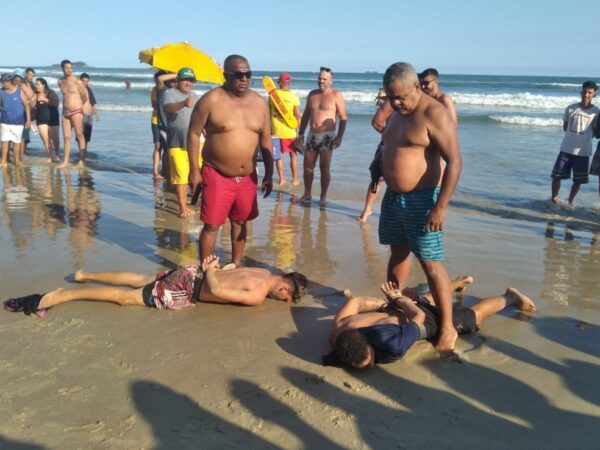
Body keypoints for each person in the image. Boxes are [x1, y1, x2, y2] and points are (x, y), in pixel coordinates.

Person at [379, 62, 462, 352]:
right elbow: (388, 143)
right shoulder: (397, 113)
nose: (396, 102)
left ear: (417, 86)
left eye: (401, 96)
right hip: (393, 198)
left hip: (422, 200)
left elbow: (455, 161)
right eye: (391, 97)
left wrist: (441, 206)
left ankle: (448, 327)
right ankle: (397, 304)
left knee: (430, 263)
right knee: (397, 253)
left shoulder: (433, 113)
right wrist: (378, 166)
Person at [326, 277, 536, 369]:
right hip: (399, 308)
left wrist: (399, 299)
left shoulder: (392, 346)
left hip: (420, 317)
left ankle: (509, 297)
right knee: (424, 300)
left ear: (367, 342)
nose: (372, 365)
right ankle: (455, 284)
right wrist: (387, 304)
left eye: (370, 361)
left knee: (475, 316)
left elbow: (418, 317)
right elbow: (355, 302)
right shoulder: (338, 331)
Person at [3, 254, 309, 317]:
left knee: (140, 279)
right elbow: (215, 289)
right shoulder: (257, 294)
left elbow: (232, 270)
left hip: (186, 273)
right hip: (190, 287)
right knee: (126, 298)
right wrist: (211, 270)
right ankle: (66, 295)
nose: (279, 299)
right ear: (285, 289)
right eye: (284, 298)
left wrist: (217, 267)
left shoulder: (261, 271)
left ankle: (84, 274)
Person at [188, 54, 274, 267]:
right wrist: (194, 171)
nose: (244, 79)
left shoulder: (259, 103)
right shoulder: (211, 100)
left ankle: (236, 265)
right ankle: (207, 271)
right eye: (238, 75)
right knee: (212, 225)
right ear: (226, 75)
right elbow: (192, 134)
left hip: (247, 178)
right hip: (217, 174)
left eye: (248, 74)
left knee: (240, 222)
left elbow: (266, 141)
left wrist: (270, 174)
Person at [294, 67, 347, 207]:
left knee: (324, 168)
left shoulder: (336, 95)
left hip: (327, 137)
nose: (321, 81)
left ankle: (323, 197)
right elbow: (306, 115)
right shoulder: (312, 94)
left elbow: (343, 118)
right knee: (307, 168)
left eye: (324, 79)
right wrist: (300, 133)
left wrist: (339, 137)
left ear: (331, 80)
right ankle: (307, 193)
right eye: (319, 78)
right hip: (312, 135)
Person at [550, 80, 599, 206]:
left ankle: (570, 201)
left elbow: (595, 132)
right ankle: (554, 199)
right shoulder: (571, 108)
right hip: (566, 149)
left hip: (583, 152)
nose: (586, 94)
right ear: (580, 92)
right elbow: (565, 127)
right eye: (584, 91)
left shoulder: (596, 112)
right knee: (556, 176)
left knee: (578, 180)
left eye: (589, 92)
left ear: (594, 95)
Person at [164, 67, 200, 218]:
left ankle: (194, 203)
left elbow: (200, 118)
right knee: (181, 176)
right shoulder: (169, 93)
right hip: (176, 142)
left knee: (197, 174)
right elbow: (168, 108)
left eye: (191, 81)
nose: (188, 83)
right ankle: (182, 207)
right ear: (178, 80)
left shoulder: (195, 96)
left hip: (195, 143)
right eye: (186, 80)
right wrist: (184, 103)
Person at [357, 97, 393, 222]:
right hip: (388, 144)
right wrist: (390, 135)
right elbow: (376, 122)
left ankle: (394, 213)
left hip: (410, 147)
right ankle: (367, 209)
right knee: (377, 177)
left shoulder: (421, 102)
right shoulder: (392, 102)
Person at [269, 73, 302, 185]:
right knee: (293, 155)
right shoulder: (294, 97)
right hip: (290, 132)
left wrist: (269, 129)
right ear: (289, 83)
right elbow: (298, 116)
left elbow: (268, 113)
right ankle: (295, 179)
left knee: (279, 156)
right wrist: (299, 132)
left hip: (276, 131)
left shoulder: (273, 96)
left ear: (279, 82)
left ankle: (282, 179)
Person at [57, 59, 88, 168]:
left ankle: (82, 160)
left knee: (79, 135)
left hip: (76, 111)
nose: (69, 70)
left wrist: (78, 106)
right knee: (66, 137)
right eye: (67, 68)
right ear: (62, 69)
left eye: (71, 68)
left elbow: (85, 96)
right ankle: (65, 161)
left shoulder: (77, 81)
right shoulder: (60, 82)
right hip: (65, 112)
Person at [0, 74, 31, 166]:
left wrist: (28, 120)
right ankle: (4, 161)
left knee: (16, 142)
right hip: (4, 121)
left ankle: (16, 161)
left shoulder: (19, 91)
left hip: (18, 122)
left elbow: (26, 106)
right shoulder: (1, 91)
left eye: (3, 82)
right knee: (4, 141)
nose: (2, 84)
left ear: (9, 82)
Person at [34, 78, 61, 162]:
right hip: (40, 120)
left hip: (53, 119)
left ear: (43, 85)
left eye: (38, 84)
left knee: (55, 138)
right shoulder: (35, 94)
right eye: (35, 84)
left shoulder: (50, 92)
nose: (36, 86)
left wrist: (45, 100)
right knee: (46, 139)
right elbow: (31, 106)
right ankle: (49, 156)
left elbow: (56, 103)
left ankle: (57, 154)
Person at [12, 69, 35, 159]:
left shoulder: (24, 87)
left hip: (23, 115)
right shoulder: (10, 87)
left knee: (22, 137)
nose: (17, 81)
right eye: (16, 79)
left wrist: (28, 110)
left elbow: (33, 99)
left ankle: (20, 156)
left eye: (19, 79)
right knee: (11, 136)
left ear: (22, 79)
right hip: (11, 115)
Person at [80, 73, 99, 151]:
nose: (85, 83)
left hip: (89, 115)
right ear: (80, 80)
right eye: (83, 81)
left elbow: (93, 103)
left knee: (87, 136)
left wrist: (97, 114)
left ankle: (85, 151)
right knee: (80, 135)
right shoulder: (78, 90)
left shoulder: (89, 89)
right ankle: (81, 151)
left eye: (86, 81)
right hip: (81, 114)